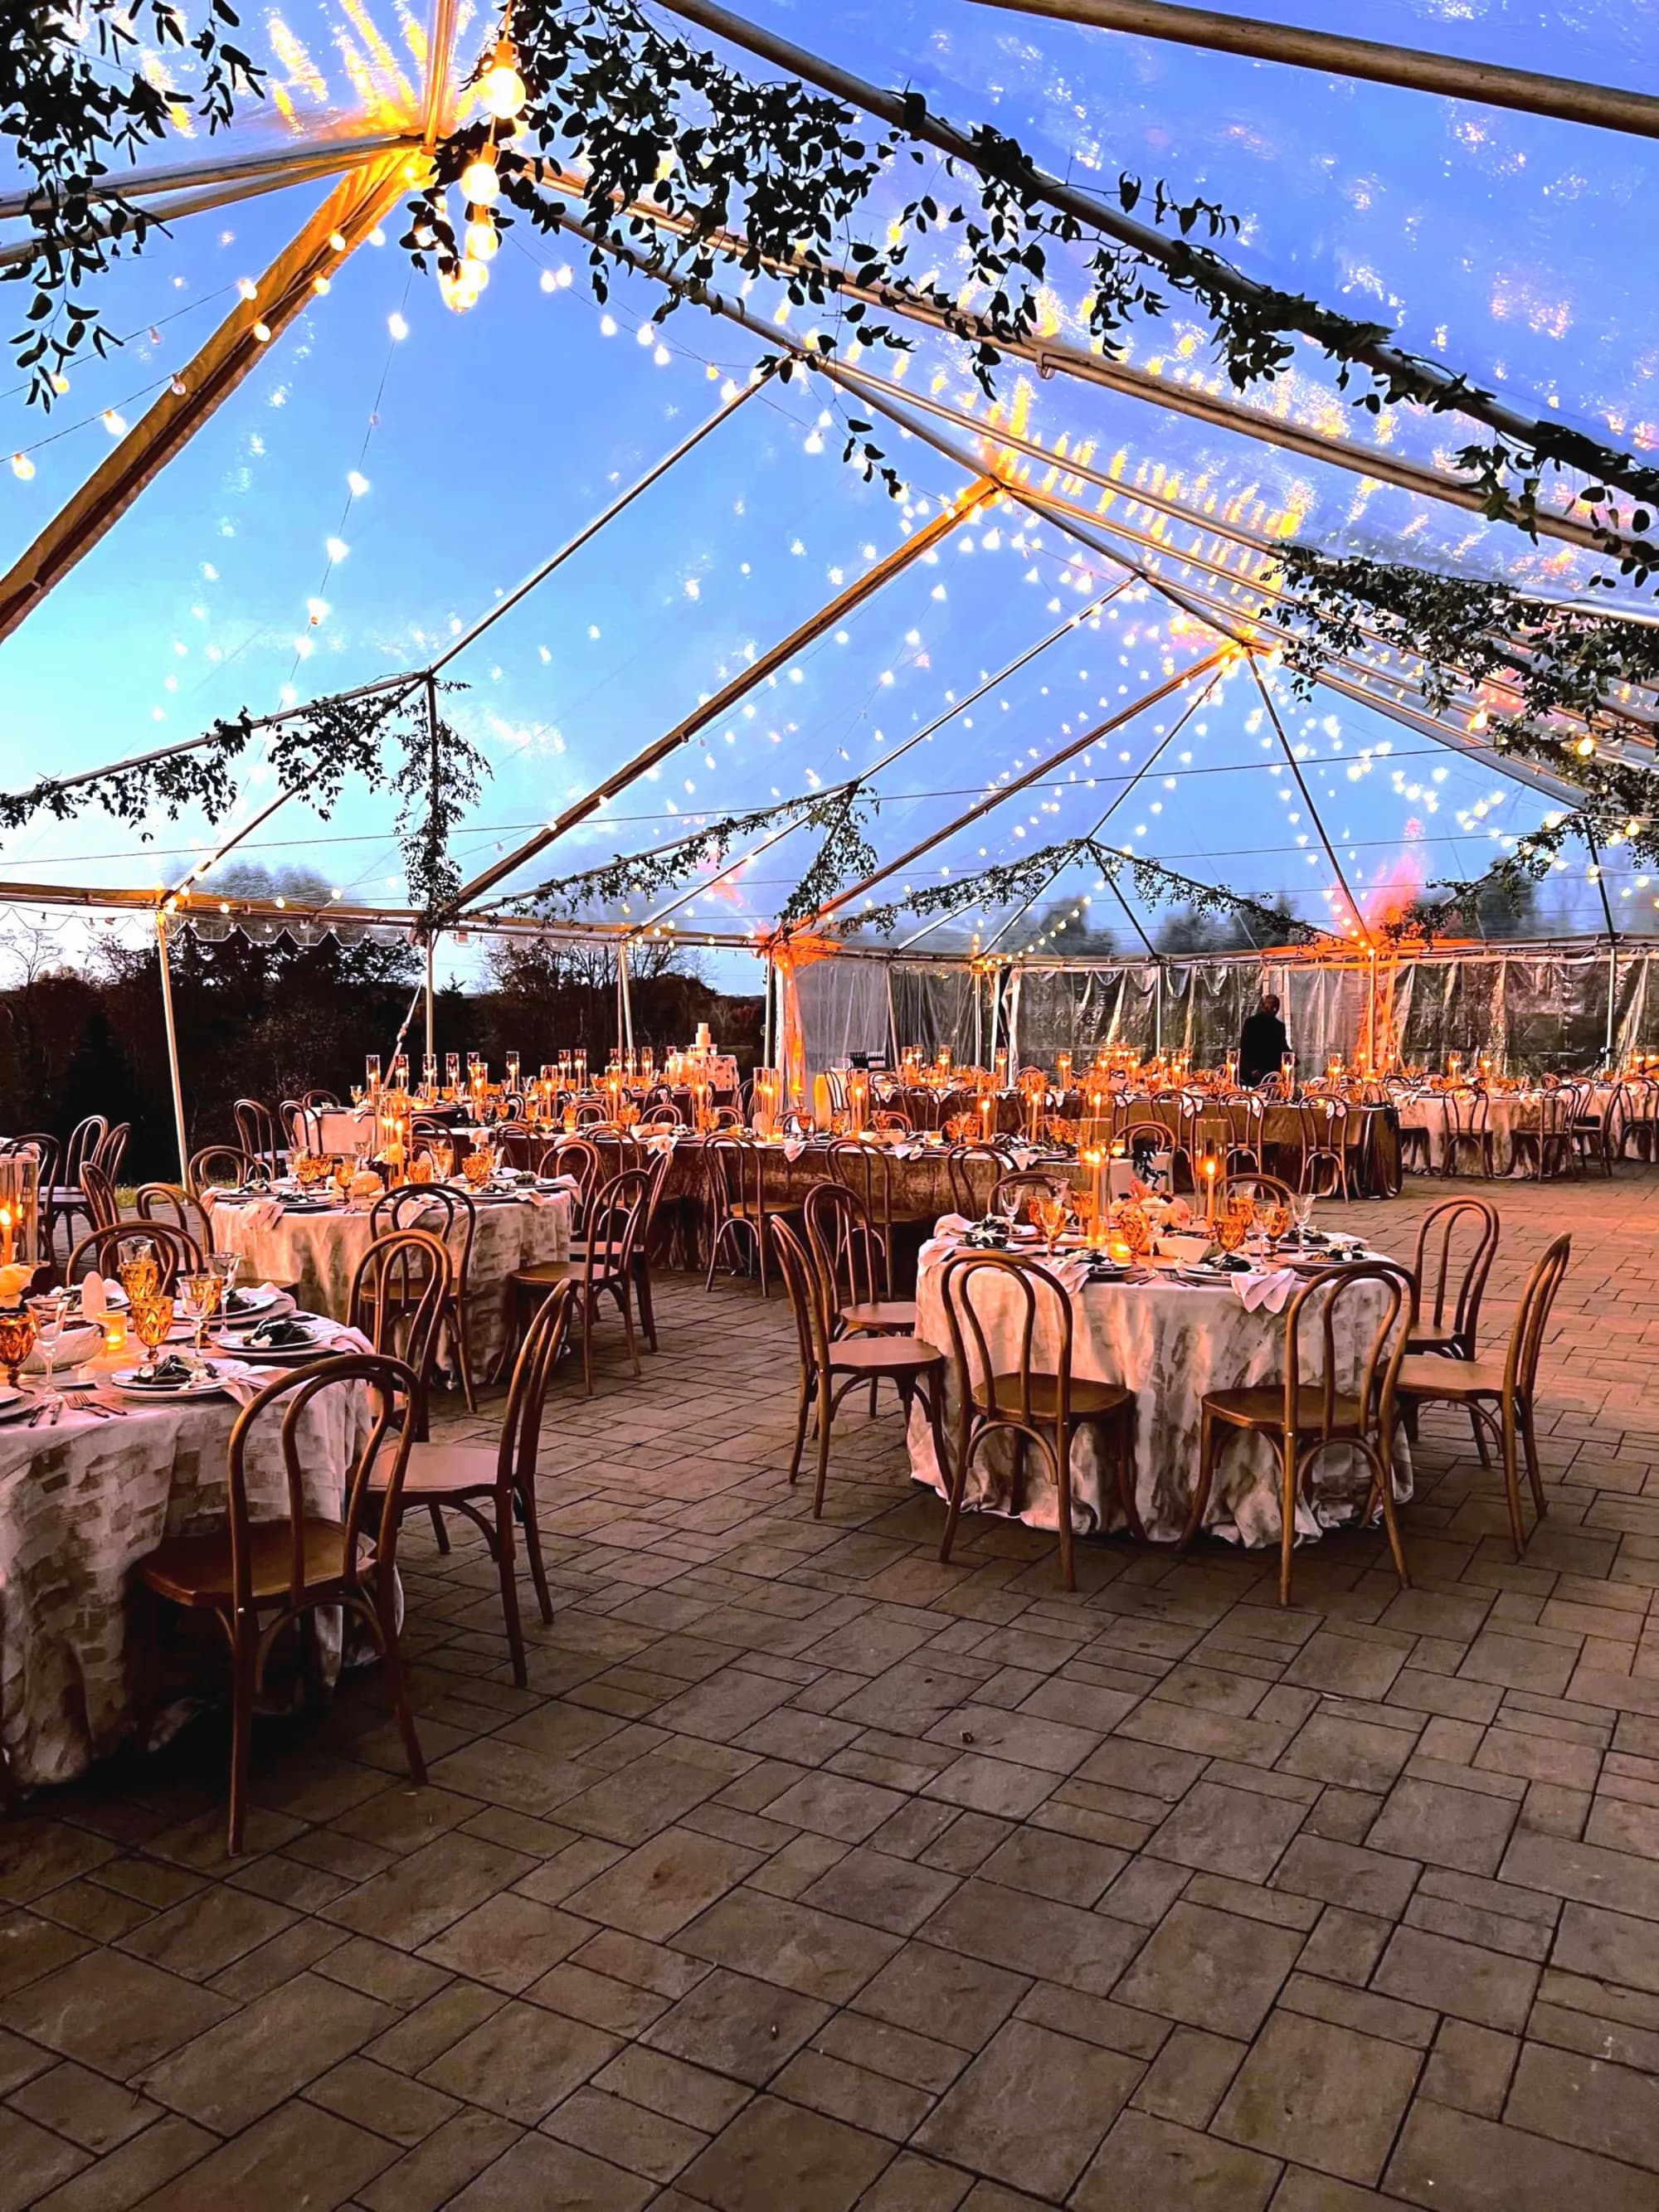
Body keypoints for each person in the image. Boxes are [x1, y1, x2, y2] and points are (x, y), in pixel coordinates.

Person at [1238, 993, 1290, 1088]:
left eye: (1275, 1006)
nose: (1274, 1008)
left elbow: (1282, 1046)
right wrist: (1252, 1069)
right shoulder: (1252, 1023)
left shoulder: (1278, 1026)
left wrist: (1292, 1059)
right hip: (1256, 1073)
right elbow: (1246, 1047)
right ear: (1264, 1005)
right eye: (1271, 1005)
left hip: (1270, 1072)